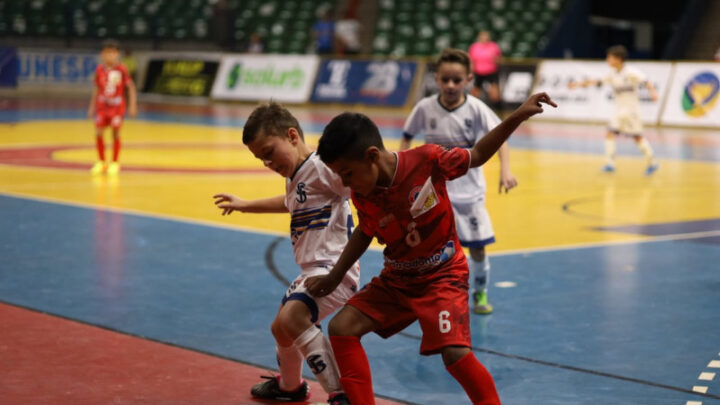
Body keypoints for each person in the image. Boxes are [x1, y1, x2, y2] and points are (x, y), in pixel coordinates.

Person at [305, 92, 557, 405]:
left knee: (454, 353)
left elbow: (477, 154)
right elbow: (364, 232)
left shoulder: (427, 160)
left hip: (442, 275)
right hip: (397, 280)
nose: (346, 183)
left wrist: (519, 115)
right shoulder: (364, 193)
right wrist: (334, 276)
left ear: (372, 156)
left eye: (347, 174)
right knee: (342, 327)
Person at [213, 102, 356, 405]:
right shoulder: (297, 174)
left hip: (333, 271)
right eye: (259, 158)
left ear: (292, 136)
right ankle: (290, 387)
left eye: (268, 152)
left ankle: (341, 395)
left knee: (292, 318)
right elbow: (290, 201)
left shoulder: (323, 167)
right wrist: (245, 204)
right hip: (312, 271)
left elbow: (358, 188)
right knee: (280, 328)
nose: (266, 162)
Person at [399, 48, 517, 315]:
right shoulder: (424, 107)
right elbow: (406, 138)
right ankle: (436, 292)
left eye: (457, 80)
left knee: (477, 248)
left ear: (469, 79)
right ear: (436, 79)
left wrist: (505, 171)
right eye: (445, 79)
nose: (451, 85)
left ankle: (479, 291)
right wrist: (404, 172)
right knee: (432, 249)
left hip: (470, 194)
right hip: (435, 194)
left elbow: (502, 137)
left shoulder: (476, 109)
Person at [568, 45, 659, 175]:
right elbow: (597, 81)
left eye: (610, 58)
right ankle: (610, 164)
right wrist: (577, 84)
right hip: (619, 110)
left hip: (631, 111)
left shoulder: (631, 72)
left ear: (619, 59)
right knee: (609, 134)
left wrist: (653, 93)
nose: (607, 60)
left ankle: (652, 163)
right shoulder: (612, 73)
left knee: (637, 137)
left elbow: (646, 81)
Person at [87, 39, 137, 176]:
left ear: (117, 54)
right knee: (98, 132)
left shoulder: (122, 69)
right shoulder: (100, 69)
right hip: (102, 106)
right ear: (102, 54)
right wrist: (92, 107)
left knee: (115, 132)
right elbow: (97, 88)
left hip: (116, 107)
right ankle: (101, 162)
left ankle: (114, 162)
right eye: (107, 53)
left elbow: (130, 87)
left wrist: (132, 105)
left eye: (113, 53)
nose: (110, 56)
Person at [468, 31, 502, 110]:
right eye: (482, 36)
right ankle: (471, 109)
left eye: (486, 36)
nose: (484, 38)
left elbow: (499, 59)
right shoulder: (474, 47)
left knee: (495, 94)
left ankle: (499, 111)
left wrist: (496, 60)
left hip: (491, 72)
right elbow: (472, 61)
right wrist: (471, 72)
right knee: (475, 93)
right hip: (479, 73)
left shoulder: (494, 46)